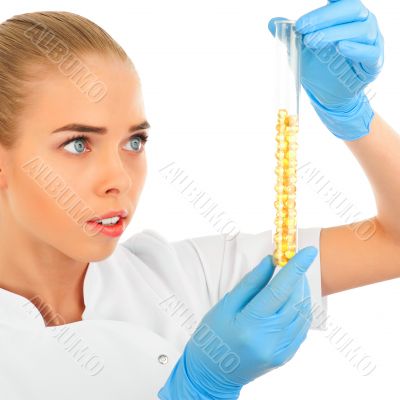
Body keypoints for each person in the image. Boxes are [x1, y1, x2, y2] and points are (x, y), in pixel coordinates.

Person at [0, 1, 396, 399]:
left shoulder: (178, 277)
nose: (119, 178)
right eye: (78, 144)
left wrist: (351, 114)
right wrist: (196, 390)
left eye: (134, 142)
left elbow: (392, 243)